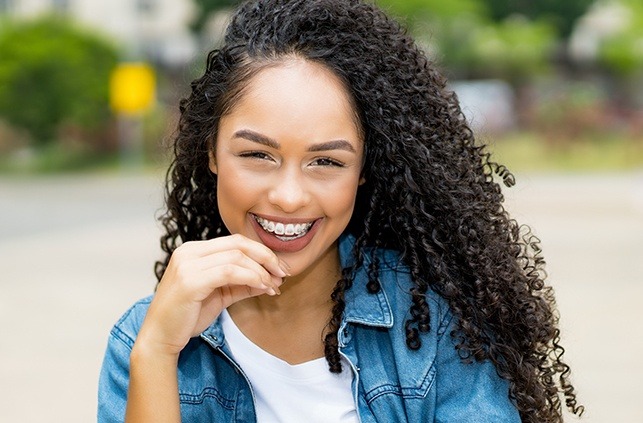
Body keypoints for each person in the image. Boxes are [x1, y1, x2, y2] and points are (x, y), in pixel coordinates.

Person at [99, 0, 583, 422]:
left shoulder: (439, 326)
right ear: (211, 152)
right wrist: (157, 353)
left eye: (326, 161)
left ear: (364, 169)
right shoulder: (145, 339)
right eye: (257, 155)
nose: (289, 197)